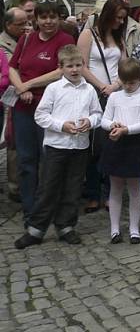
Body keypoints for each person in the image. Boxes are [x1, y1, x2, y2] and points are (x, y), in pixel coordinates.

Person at [14, 45, 102, 249]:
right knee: (48, 188)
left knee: (73, 187)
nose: (74, 70)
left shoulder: (89, 89)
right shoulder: (53, 89)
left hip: (80, 146)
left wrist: (90, 121)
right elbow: (41, 115)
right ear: (60, 67)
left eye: (78, 65)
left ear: (83, 66)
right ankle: (36, 229)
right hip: (56, 146)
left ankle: (66, 226)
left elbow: (97, 113)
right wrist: (62, 126)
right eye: (70, 66)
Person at [9, 0, 76, 223]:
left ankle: (48, 210)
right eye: (43, 17)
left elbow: (60, 72)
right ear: (35, 19)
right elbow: (12, 67)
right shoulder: (27, 39)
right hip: (23, 109)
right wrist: (20, 88)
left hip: (51, 111)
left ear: (58, 18)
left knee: (50, 162)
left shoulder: (65, 40)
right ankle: (30, 211)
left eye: (52, 17)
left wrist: (28, 85)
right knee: (26, 161)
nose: (48, 21)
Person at [77, 0, 128, 212]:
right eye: (117, 17)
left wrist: (115, 85)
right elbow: (82, 65)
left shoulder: (119, 38)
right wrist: (101, 86)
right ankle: (92, 192)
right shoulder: (88, 35)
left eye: (123, 19)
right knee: (94, 146)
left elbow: (125, 66)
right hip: (95, 93)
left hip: (115, 94)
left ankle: (110, 192)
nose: (120, 22)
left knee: (113, 144)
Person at [99, 58, 140, 244]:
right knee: (115, 188)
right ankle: (114, 229)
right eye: (125, 82)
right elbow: (104, 119)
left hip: (135, 145)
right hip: (116, 143)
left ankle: (134, 228)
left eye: (133, 82)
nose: (128, 86)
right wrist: (113, 125)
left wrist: (126, 129)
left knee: (135, 189)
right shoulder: (115, 96)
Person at [1, 7, 27, 200]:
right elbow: (12, 68)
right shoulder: (3, 43)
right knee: (12, 141)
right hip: (9, 96)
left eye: (27, 22)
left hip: (24, 94)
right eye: (20, 24)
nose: (25, 27)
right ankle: (15, 186)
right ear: (8, 25)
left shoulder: (27, 38)